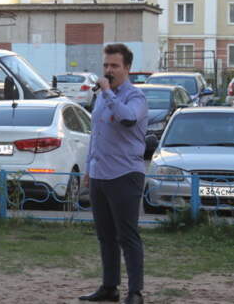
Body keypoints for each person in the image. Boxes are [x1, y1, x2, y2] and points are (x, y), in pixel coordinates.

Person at [79, 43, 148, 304]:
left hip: (125, 175)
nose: (108, 70)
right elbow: (96, 135)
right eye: (106, 65)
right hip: (100, 175)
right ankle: (110, 288)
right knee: (105, 235)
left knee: (127, 235)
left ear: (127, 68)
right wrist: (88, 168)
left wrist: (108, 93)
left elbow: (128, 118)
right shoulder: (101, 97)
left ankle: (135, 292)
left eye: (114, 66)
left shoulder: (135, 97)